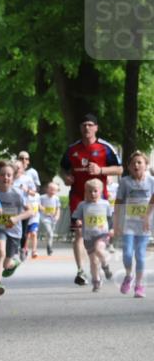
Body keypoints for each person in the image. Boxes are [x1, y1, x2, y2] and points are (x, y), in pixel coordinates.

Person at [60, 113, 122, 286]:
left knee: (97, 236)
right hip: (78, 197)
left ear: (96, 127)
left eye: (90, 125)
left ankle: (101, 262)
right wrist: (65, 177)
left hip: (98, 198)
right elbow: (62, 169)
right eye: (84, 125)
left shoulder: (105, 148)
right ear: (80, 128)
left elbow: (119, 169)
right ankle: (80, 271)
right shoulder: (73, 149)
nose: (87, 128)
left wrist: (101, 171)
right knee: (79, 232)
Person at [0, 160, 32, 299]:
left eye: (9, 175)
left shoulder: (18, 194)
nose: (6, 177)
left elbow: (30, 211)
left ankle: (15, 262)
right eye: (2, 175)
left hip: (14, 231)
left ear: (13, 178)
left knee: (7, 263)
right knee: (0, 252)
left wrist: (16, 218)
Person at [114, 151, 154, 297]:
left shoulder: (151, 181)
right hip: (128, 224)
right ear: (129, 167)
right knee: (127, 254)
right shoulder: (125, 182)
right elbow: (118, 203)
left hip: (144, 224)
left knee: (141, 255)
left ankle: (139, 285)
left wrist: (147, 216)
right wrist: (116, 223)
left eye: (139, 162)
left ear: (146, 165)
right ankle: (129, 275)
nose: (136, 165)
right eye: (133, 163)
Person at [72, 178, 115, 292]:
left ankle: (105, 265)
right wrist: (78, 221)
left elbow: (110, 218)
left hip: (102, 234)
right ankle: (96, 280)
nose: (92, 194)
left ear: (101, 192)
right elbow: (76, 216)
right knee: (93, 261)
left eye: (95, 191)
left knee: (98, 249)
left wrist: (111, 229)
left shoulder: (105, 204)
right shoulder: (82, 205)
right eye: (89, 191)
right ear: (85, 192)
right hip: (88, 236)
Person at [39, 181, 61, 256]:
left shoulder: (56, 198)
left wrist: (57, 215)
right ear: (47, 189)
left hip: (53, 218)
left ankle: (49, 245)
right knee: (50, 232)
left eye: (54, 190)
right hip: (45, 218)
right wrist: (45, 211)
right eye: (51, 189)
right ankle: (49, 247)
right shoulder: (42, 197)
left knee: (51, 234)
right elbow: (39, 206)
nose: (52, 191)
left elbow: (58, 208)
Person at [25, 187, 41, 258]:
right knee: (27, 235)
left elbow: (39, 205)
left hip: (35, 218)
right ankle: (25, 248)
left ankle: (34, 250)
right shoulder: (24, 195)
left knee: (34, 234)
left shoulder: (37, 195)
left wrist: (44, 209)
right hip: (26, 218)